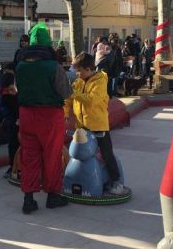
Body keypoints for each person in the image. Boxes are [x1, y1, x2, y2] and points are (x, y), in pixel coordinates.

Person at [16, 22, 72, 214]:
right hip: (49, 116)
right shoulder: (53, 66)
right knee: (52, 156)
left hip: (26, 115)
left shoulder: (21, 66)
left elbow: (18, 90)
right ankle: (52, 196)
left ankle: (28, 199)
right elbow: (65, 92)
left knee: (29, 156)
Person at [64, 52, 130, 195]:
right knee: (78, 153)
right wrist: (65, 112)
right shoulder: (78, 82)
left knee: (107, 153)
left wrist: (75, 94)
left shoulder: (100, 82)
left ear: (88, 69)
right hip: (81, 126)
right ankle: (80, 179)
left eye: (79, 71)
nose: (77, 74)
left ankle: (116, 181)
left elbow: (91, 100)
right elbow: (69, 100)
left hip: (98, 126)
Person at [0, 72, 20, 178]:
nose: (10, 92)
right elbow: (7, 109)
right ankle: (13, 166)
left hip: (22, 122)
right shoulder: (6, 96)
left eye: (12, 89)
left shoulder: (20, 93)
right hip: (12, 123)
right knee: (13, 144)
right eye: (8, 90)